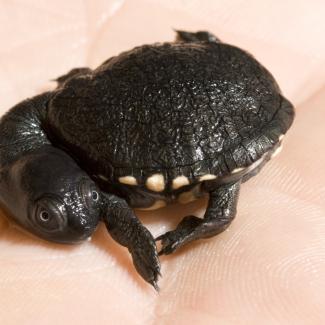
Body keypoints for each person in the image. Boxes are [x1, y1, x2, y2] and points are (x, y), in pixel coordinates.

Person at [0, 1, 324, 323]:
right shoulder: (62, 111)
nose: (89, 210)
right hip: (209, 62)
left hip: (235, 116)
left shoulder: (69, 128)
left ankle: (204, 225)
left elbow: (113, 207)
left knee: (219, 210)